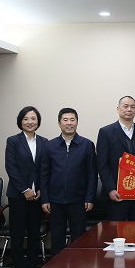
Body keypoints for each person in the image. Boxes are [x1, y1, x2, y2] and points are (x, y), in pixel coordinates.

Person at [41, 108, 98, 256]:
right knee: (57, 239)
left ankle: (78, 266)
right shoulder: (49, 146)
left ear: (77, 122)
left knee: (79, 239)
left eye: (72, 120)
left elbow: (92, 174)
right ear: (59, 123)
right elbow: (44, 174)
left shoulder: (87, 145)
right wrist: (45, 199)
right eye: (65, 120)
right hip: (55, 200)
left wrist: (90, 198)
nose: (69, 123)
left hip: (79, 200)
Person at [4, 106, 48, 268]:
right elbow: (11, 167)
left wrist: (41, 189)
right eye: (26, 119)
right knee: (17, 235)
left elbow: (45, 168)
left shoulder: (44, 142)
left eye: (33, 118)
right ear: (20, 122)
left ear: (38, 121)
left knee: (34, 234)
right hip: (18, 196)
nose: (30, 122)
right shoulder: (13, 141)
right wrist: (25, 189)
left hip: (37, 197)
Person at [96, 96, 135, 220]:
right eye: (125, 106)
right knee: (116, 230)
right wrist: (110, 189)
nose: (129, 109)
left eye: (132, 107)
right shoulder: (106, 132)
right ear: (118, 109)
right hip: (116, 193)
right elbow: (102, 164)